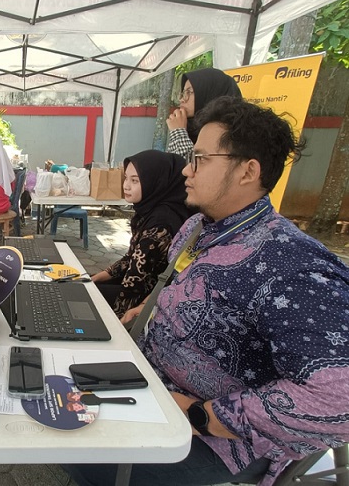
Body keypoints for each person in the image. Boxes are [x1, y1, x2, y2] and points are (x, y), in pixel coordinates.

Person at [65, 97, 349, 486]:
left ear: (248, 171)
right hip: (149, 379)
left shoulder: (293, 266)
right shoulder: (198, 227)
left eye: (200, 159)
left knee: (81, 453)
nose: (186, 169)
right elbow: (180, 281)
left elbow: (337, 398)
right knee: (58, 393)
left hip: (219, 438)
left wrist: (205, 415)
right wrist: (149, 306)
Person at [91, 150, 190, 318]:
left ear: (156, 182)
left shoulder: (160, 224)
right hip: (135, 287)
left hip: (144, 300)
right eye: (126, 178)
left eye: (135, 180)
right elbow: (130, 259)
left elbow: (135, 282)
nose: (126, 186)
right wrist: (95, 278)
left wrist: (118, 322)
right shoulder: (150, 211)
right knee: (84, 285)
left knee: (80, 296)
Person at [166, 67, 242, 160]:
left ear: (211, 94)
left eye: (189, 92)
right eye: (183, 93)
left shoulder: (230, 134)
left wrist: (178, 133)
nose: (182, 99)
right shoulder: (189, 128)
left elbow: (194, 166)